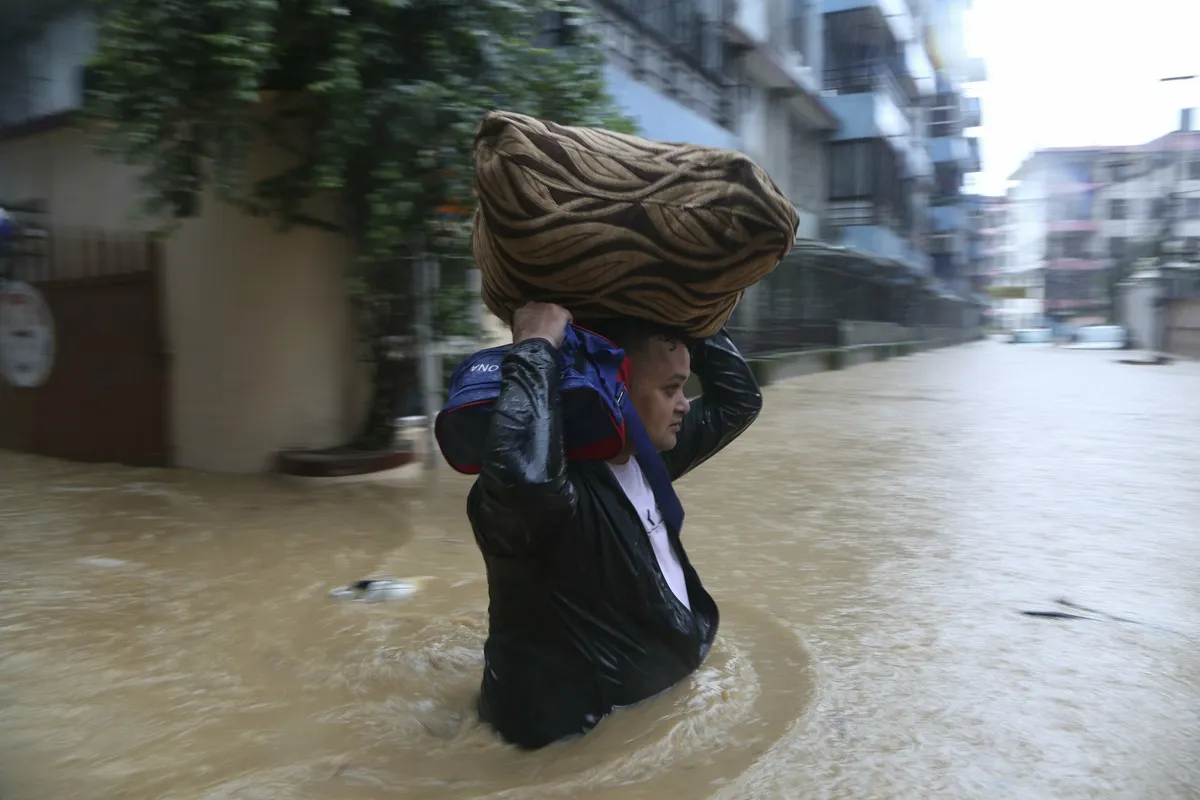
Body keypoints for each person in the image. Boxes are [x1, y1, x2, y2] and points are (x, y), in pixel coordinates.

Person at [467, 301, 763, 749]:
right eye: (671, 388)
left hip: (664, 718)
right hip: (575, 749)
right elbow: (520, 476)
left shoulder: (647, 457)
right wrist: (536, 347)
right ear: (615, 389)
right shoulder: (546, 504)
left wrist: (691, 309)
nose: (685, 404)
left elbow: (740, 400)